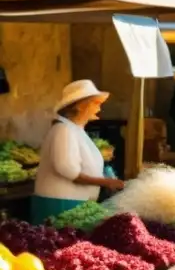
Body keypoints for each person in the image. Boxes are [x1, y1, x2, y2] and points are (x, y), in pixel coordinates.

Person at [32, 80, 124, 224]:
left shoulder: (75, 130)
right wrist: (105, 182)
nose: (99, 109)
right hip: (61, 204)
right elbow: (67, 169)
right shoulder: (64, 130)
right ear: (81, 106)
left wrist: (105, 178)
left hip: (74, 203)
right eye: (96, 103)